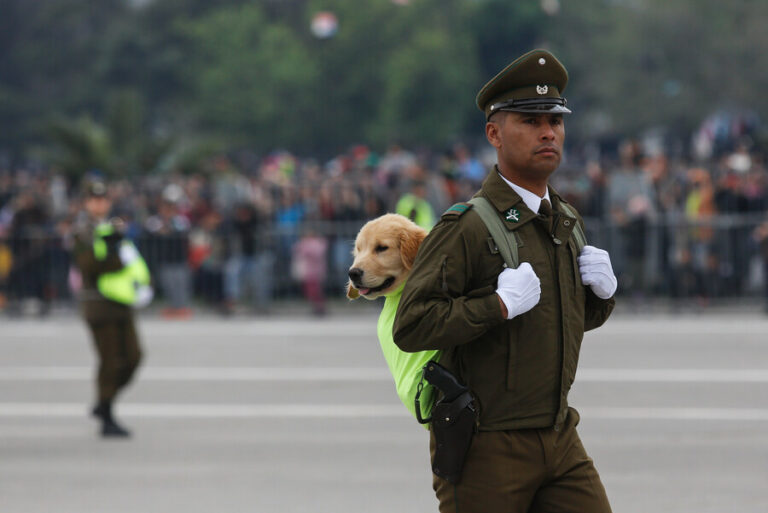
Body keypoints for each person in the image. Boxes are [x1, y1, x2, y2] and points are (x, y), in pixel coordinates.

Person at [393, 49, 618, 513]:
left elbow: (558, 323)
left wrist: (601, 298)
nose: (547, 132)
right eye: (530, 120)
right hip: (488, 445)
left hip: (558, 436)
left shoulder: (566, 220)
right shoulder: (467, 226)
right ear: (494, 133)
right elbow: (412, 324)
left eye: (555, 121)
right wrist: (494, 306)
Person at [72, 181, 152, 437]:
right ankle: (106, 411)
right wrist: (113, 252)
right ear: (86, 202)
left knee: (133, 356)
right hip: (98, 305)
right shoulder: (83, 230)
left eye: (103, 199)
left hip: (121, 302)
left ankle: (104, 402)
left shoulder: (112, 227)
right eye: (94, 199)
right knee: (109, 359)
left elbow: (131, 262)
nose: (99, 204)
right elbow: (89, 265)